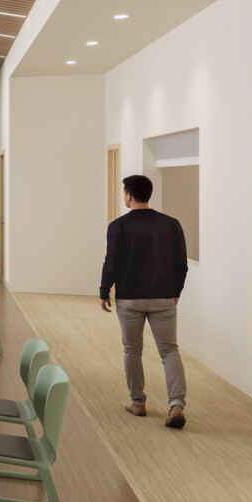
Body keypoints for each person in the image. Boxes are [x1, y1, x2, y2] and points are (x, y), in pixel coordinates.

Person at [100, 174, 189, 429]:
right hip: (163, 297)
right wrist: (176, 291)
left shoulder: (118, 226)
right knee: (170, 350)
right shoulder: (171, 224)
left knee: (132, 350)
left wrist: (104, 291)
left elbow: (111, 263)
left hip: (129, 299)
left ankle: (138, 403)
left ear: (128, 195)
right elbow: (181, 264)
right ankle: (177, 405)